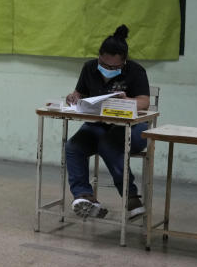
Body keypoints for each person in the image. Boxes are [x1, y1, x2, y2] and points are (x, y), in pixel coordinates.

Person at [64, 25, 149, 220]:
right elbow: (80, 93)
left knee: (108, 146)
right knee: (73, 147)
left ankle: (131, 198)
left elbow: (144, 101)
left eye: (115, 68)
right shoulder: (89, 68)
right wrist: (73, 96)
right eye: (105, 64)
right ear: (99, 56)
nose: (109, 69)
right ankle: (84, 196)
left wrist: (128, 102)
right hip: (99, 125)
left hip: (131, 128)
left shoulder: (135, 71)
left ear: (124, 62)